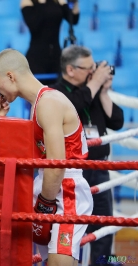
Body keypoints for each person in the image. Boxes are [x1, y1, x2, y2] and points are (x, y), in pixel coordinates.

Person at [0, 48, 93, 266]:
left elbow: (56, 164)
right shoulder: (38, 104)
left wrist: (45, 204)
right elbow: (29, 155)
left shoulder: (48, 102)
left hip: (65, 190)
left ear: (10, 76)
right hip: (51, 188)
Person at [50, 45, 124, 266]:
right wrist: (95, 84)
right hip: (73, 172)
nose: (94, 72)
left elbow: (117, 121)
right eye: (88, 68)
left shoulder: (92, 92)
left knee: (104, 224)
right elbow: (75, 104)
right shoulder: (56, 93)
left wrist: (103, 91)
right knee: (72, 227)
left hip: (99, 168)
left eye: (95, 67)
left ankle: (103, 262)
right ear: (71, 70)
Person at [20, 0, 80, 85]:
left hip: (56, 54)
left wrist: (75, 3)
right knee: (37, 91)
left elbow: (74, 20)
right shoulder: (28, 1)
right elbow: (34, 25)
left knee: (57, 90)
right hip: (36, 55)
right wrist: (44, 3)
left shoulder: (58, 1)